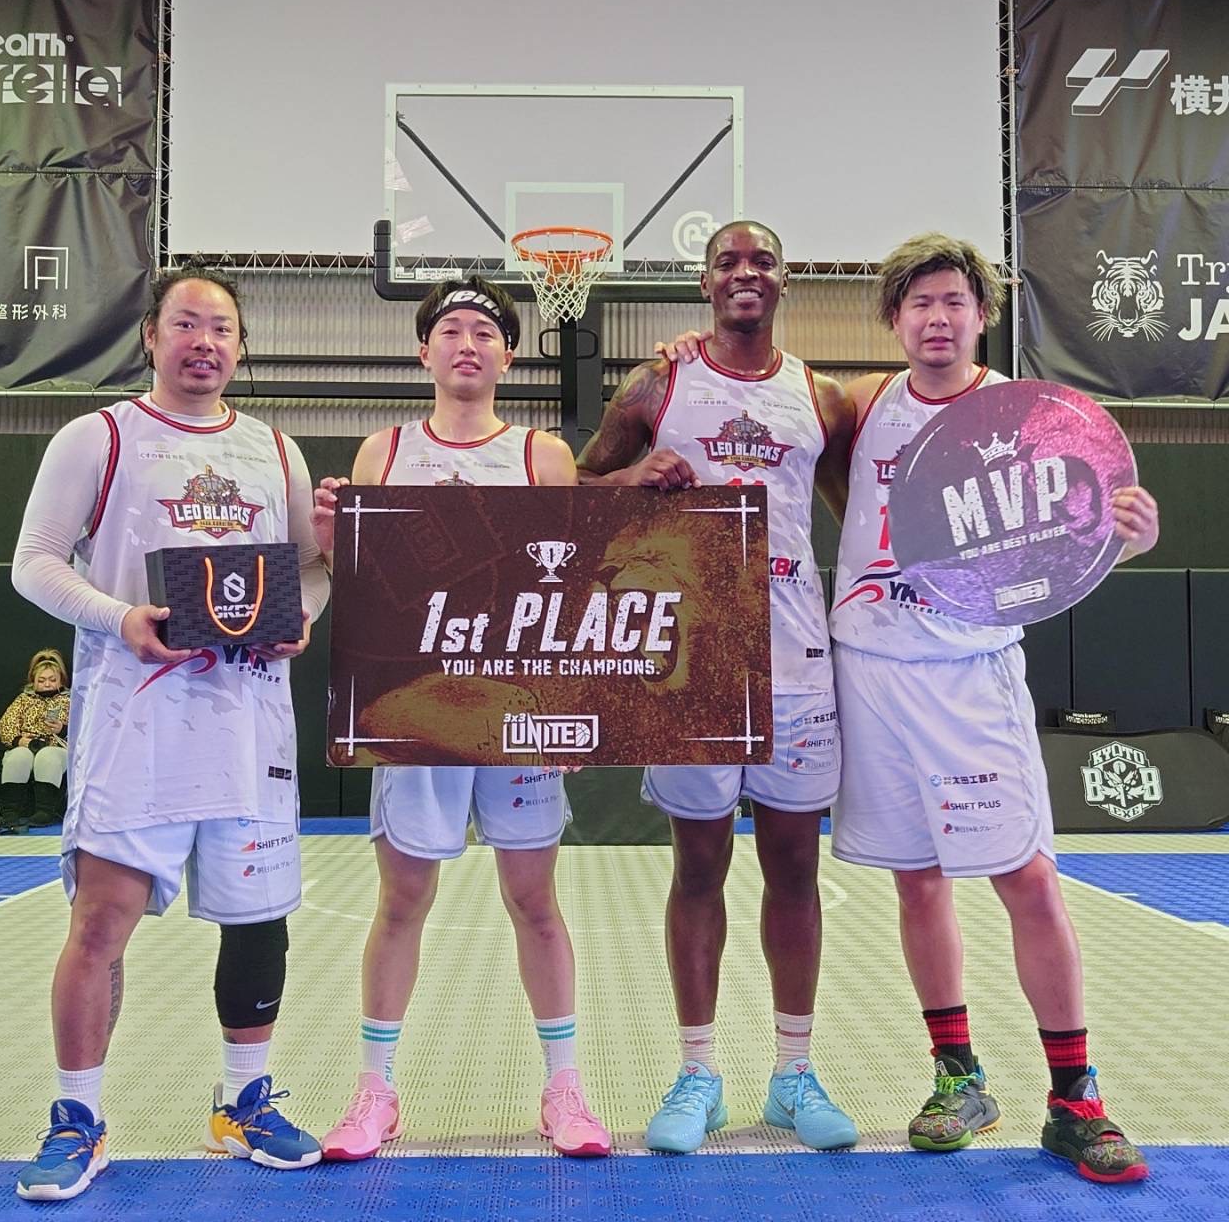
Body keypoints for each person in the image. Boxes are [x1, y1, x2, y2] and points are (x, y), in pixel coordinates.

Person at [828, 232, 1155, 1183]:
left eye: (953, 303)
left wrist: (1128, 537)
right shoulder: (862, 405)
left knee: (1027, 878)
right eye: (919, 303)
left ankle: (1075, 1101)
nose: (937, 318)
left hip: (970, 671)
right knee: (917, 881)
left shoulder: (1030, 415)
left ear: (983, 316)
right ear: (894, 318)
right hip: (869, 666)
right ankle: (957, 1077)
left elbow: (1078, 531)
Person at [10, 263, 330, 1201]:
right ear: (151, 336)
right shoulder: (98, 437)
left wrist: (301, 616)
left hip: (248, 722)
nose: (204, 342)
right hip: (136, 719)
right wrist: (121, 618)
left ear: (240, 347)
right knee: (100, 924)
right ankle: (77, 1118)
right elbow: (34, 563)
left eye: (221, 329)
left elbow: (310, 570)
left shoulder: (275, 450)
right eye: (186, 324)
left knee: (257, 919)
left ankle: (243, 1102)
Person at [310, 276, 611, 1160]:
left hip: (516, 707)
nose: (468, 343)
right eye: (451, 330)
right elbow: (362, 585)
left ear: (509, 356)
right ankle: (375, 1091)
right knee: (402, 898)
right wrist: (330, 542)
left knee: (535, 899)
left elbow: (569, 594)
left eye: (485, 331)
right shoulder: (384, 450)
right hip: (418, 705)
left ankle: (564, 1089)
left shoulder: (542, 456)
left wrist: (575, 706)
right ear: (424, 353)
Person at [576, 221, 858, 1153]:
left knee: (794, 870)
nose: (746, 272)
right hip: (690, 658)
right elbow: (576, 488)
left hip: (795, 660)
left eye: (762, 261)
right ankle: (698, 1073)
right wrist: (630, 478)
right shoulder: (656, 385)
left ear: (785, 280)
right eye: (728, 261)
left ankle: (792, 1074)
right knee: (698, 868)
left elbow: (860, 520)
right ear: (705, 282)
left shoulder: (821, 398)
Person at [0, 649, 72, 828]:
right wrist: (19, 741)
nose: (47, 684)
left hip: (58, 747)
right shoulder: (23, 700)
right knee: (18, 756)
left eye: (52, 680)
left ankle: (45, 810)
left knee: (48, 755)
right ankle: (10, 811)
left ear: (61, 680)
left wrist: (62, 729)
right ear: (33, 681)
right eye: (42, 680)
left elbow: (84, 729)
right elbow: (5, 725)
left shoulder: (71, 701)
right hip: (26, 745)